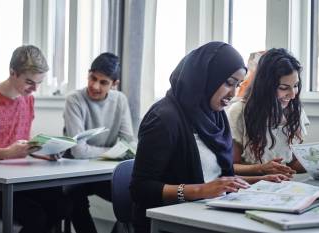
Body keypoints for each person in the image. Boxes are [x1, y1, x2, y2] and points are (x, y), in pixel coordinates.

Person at [129, 42, 288, 233]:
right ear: (205, 77)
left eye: (238, 85)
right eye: (229, 83)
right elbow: (140, 188)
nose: (233, 93)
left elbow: (217, 180)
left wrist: (260, 180)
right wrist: (198, 191)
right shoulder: (164, 119)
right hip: (170, 223)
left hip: (208, 214)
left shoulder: (215, 115)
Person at [0, 45, 71, 233]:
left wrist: (44, 153)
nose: (34, 89)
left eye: (39, 83)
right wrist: (9, 152)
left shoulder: (28, 100)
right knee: (36, 216)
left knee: (62, 205)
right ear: (12, 72)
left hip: (16, 177)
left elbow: (22, 144)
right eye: (30, 82)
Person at [63, 52, 135, 233]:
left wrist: (98, 151)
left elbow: (129, 143)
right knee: (73, 196)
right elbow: (78, 151)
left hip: (103, 172)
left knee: (133, 198)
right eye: (92, 78)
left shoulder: (120, 100)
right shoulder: (74, 99)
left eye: (103, 82)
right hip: (74, 170)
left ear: (114, 84)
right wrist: (112, 152)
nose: (95, 86)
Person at [227, 48, 307, 177]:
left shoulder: (295, 110)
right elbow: (231, 166)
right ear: (265, 86)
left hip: (284, 185)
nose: (292, 95)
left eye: (296, 85)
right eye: (283, 88)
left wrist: (312, 162)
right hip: (252, 186)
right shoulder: (239, 111)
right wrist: (261, 169)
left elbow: (293, 164)